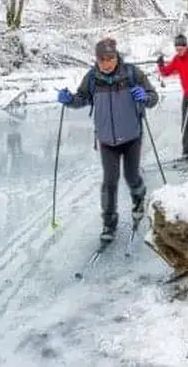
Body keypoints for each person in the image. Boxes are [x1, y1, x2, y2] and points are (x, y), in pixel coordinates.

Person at [57, 37, 160, 242]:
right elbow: (81, 98)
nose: (107, 63)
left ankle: (138, 199)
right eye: (102, 59)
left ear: (116, 56)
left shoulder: (132, 74)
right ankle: (109, 223)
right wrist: (69, 100)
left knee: (131, 177)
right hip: (106, 141)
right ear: (96, 59)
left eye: (110, 58)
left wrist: (145, 97)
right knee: (109, 182)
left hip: (132, 137)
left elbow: (153, 97)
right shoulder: (92, 78)